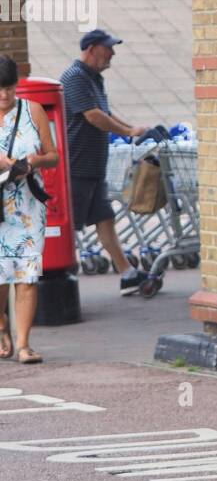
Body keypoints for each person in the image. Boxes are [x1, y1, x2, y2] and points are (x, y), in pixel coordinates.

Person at [60, 30, 146, 295]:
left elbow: (105, 113)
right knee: (68, 228)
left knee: (105, 219)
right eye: (107, 48)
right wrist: (128, 132)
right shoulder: (75, 78)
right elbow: (93, 116)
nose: (112, 53)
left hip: (94, 167)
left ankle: (127, 274)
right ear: (91, 49)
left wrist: (133, 128)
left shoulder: (93, 78)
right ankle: (54, 276)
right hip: (78, 166)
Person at [0, 56, 59, 362]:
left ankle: (23, 344)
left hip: (27, 206)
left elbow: (54, 155)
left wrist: (34, 161)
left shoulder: (32, 110)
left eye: (9, 88)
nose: (4, 96)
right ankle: (1, 329)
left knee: (26, 273)